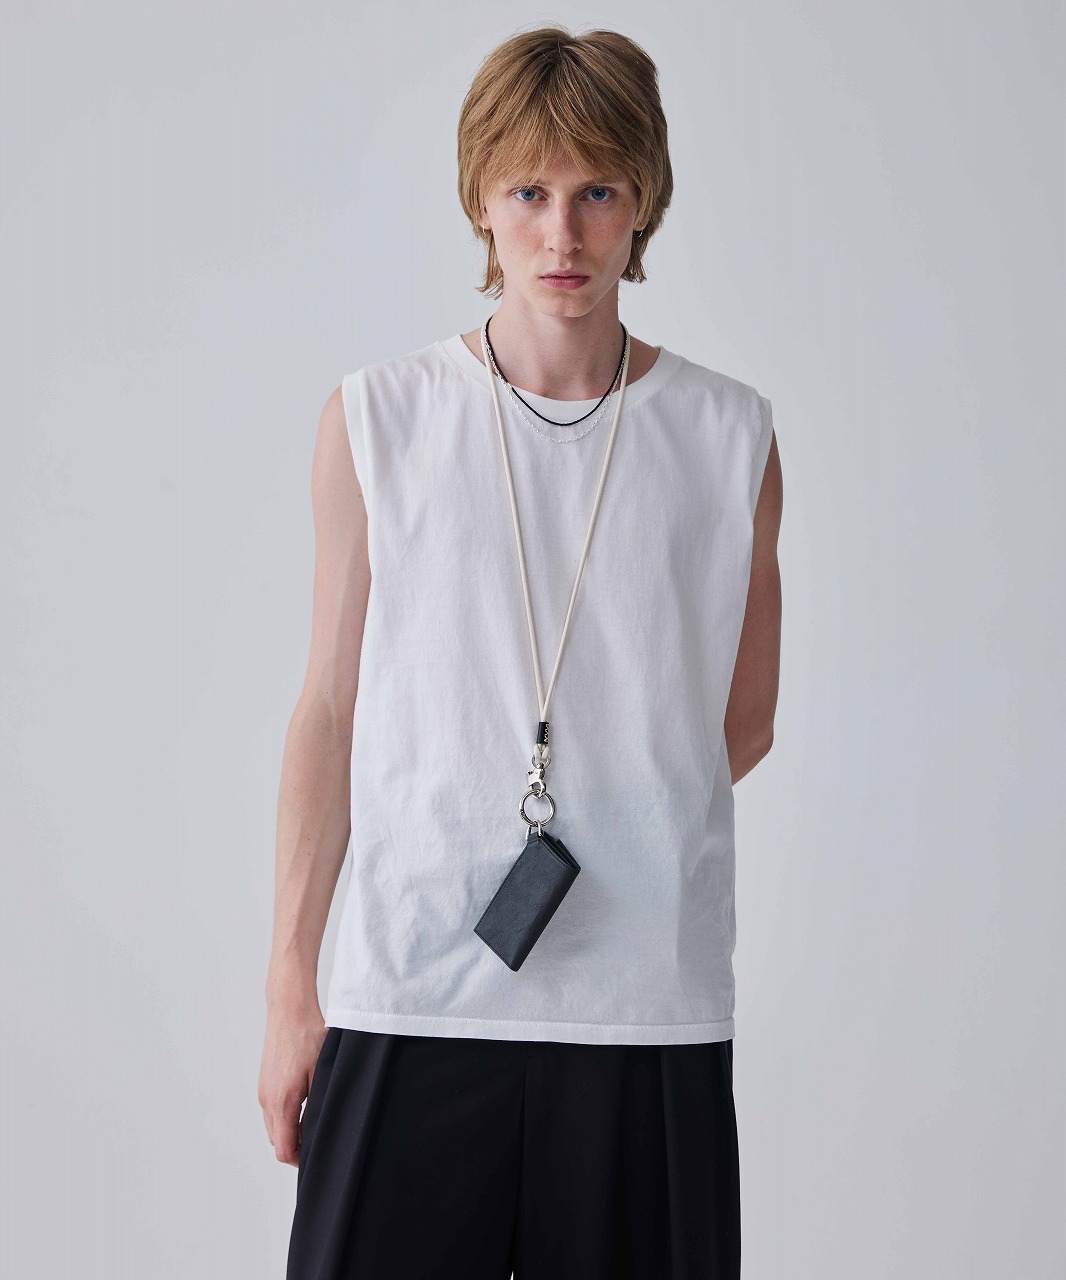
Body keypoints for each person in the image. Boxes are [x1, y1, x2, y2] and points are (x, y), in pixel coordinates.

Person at [261, 24, 782, 1280]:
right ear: (479, 201)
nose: (562, 234)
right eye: (529, 192)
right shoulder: (379, 420)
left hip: (643, 1012)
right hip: (410, 994)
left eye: (597, 192)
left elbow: (744, 720)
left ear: (642, 200)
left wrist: (618, 796)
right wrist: (289, 986)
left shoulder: (727, 436)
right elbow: (330, 709)